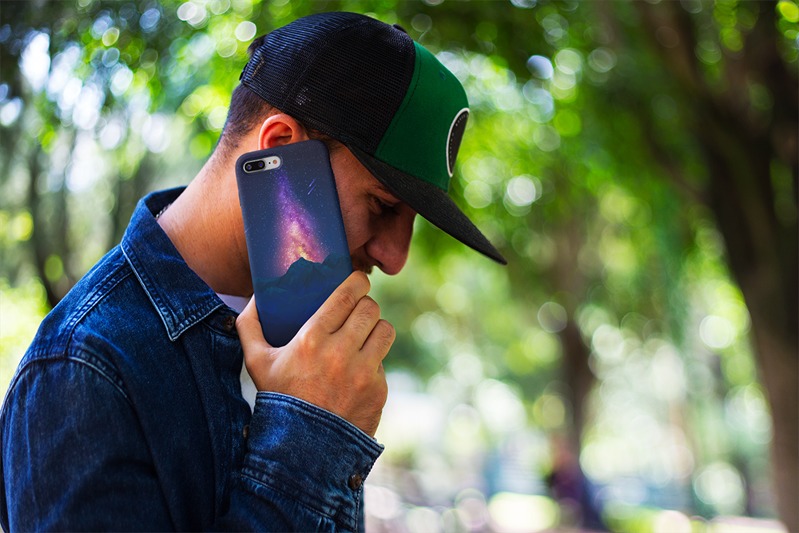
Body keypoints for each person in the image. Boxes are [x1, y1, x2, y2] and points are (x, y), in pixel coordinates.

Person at [0, 11, 506, 531]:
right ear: (281, 147)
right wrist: (310, 432)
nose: (395, 258)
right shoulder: (82, 369)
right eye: (382, 205)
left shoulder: (310, 344)